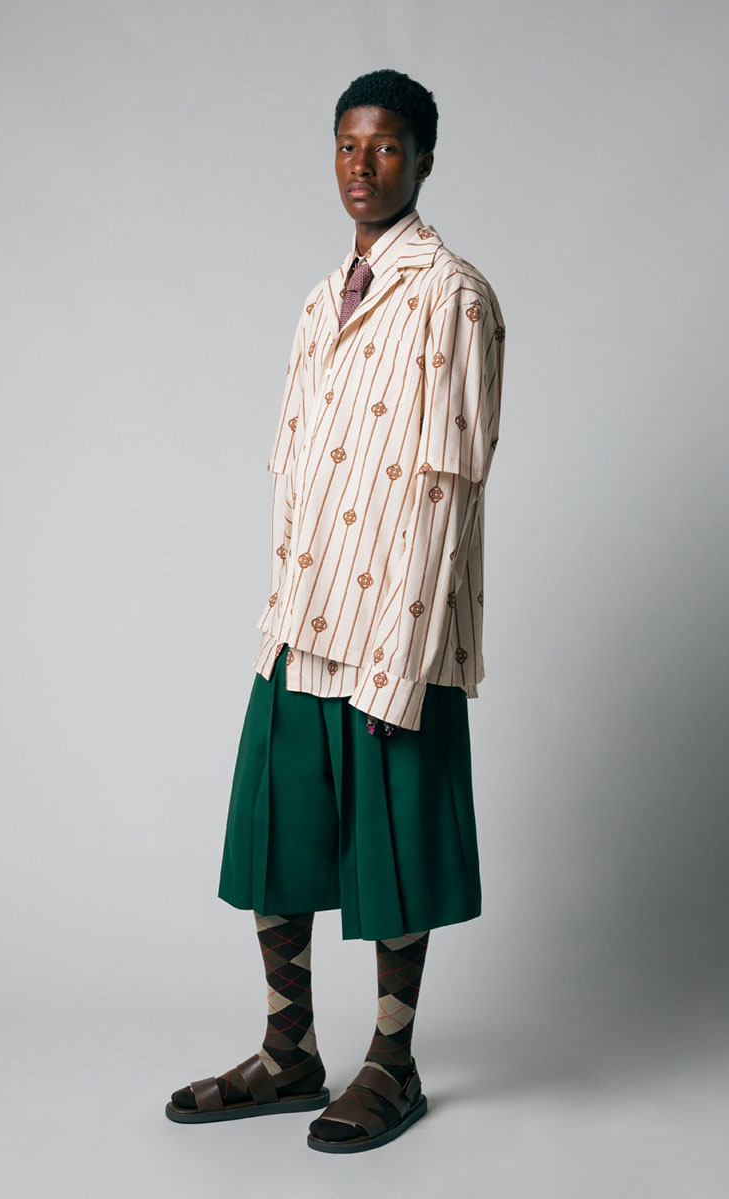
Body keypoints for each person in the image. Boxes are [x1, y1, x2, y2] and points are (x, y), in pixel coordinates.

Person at [165, 67, 505, 1154]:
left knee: (393, 846)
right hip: (301, 618)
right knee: (279, 835)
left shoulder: (451, 294)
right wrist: (276, 612)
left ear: (424, 160)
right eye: (348, 146)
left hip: (394, 627)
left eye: (386, 147)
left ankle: (391, 1062)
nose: (363, 166)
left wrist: (403, 660)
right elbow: (297, 467)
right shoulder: (322, 298)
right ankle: (288, 1051)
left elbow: (447, 486)